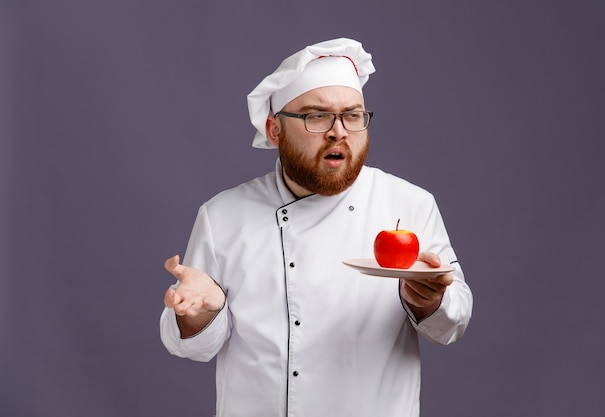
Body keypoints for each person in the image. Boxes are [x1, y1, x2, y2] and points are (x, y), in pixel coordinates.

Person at [160, 37, 473, 417]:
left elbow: (452, 323)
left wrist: (429, 301)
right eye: (316, 115)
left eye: (353, 115)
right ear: (275, 130)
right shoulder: (223, 216)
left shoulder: (409, 205)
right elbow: (195, 347)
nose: (339, 132)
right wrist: (200, 313)